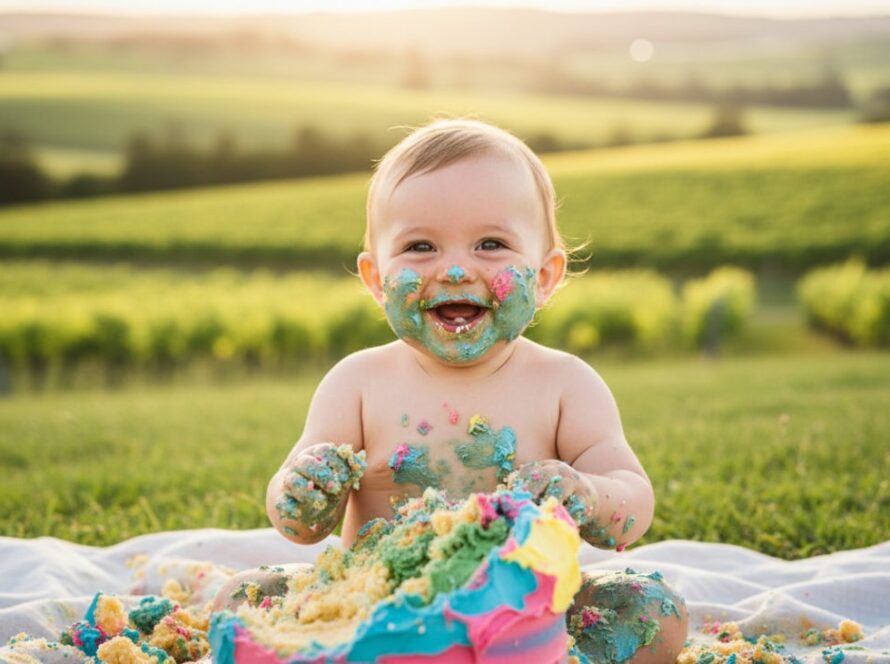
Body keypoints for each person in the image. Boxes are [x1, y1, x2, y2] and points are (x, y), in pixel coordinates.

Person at [214, 118, 687, 664]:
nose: (457, 268)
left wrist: (588, 493)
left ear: (546, 275)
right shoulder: (358, 382)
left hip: (526, 613)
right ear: (375, 279)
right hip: (375, 606)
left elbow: (633, 498)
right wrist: (302, 493)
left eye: (492, 244)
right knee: (243, 597)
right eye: (420, 246)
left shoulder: (565, 384)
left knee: (654, 610)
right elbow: (299, 526)